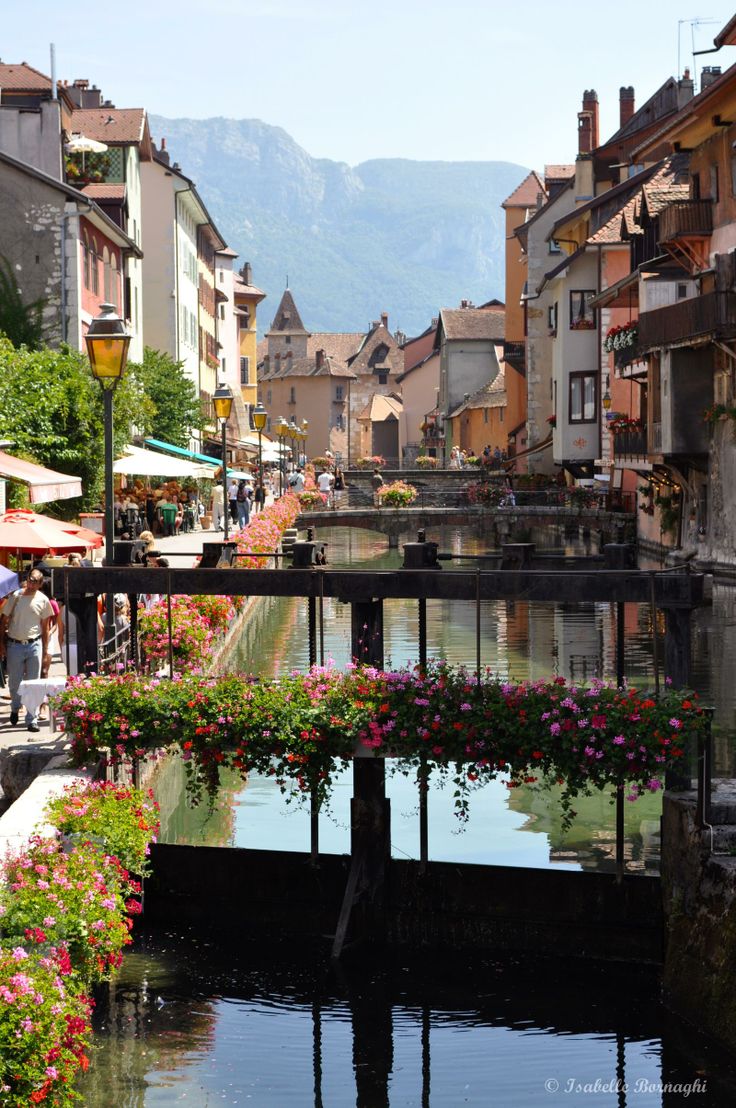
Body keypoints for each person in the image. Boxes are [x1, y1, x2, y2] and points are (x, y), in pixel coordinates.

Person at [0, 569, 54, 732]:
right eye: (29, 580)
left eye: (34, 581)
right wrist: (1, 644)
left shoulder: (43, 600)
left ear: (40, 584)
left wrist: (45, 651)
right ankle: (16, 707)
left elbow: (45, 628)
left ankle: (32, 718)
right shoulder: (16, 596)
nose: (31, 583)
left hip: (34, 645)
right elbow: (3, 622)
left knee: (33, 683)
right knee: (15, 681)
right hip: (15, 644)